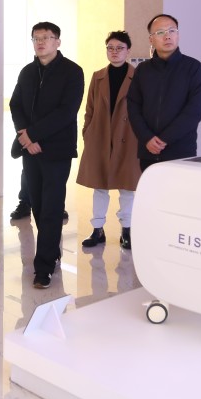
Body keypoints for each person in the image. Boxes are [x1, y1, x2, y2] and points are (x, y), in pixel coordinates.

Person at [9, 22, 84, 289]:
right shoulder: (27, 72)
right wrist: (25, 137)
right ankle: (51, 250)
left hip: (56, 150)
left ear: (57, 42)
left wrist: (33, 135)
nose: (40, 42)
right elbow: (16, 104)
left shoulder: (72, 71)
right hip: (30, 149)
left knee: (52, 206)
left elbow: (67, 111)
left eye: (46, 38)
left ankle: (44, 267)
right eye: (36, 38)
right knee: (39, 205)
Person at [76, 31, 140, 250]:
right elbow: (90, 108)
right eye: (110, 48)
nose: (114, 52)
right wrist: (88, 132)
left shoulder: (138, 76)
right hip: (100, 137)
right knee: (99, 186)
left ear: (128, 51)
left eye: (119, 48)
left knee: (127, 188)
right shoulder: (98, 76)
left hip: (128, 138)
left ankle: (126, 230)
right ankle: (97, 230)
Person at [128, 14, 201, 179]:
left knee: (180, 194)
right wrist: (147, 138)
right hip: (148, 152)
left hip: (181, 152)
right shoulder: (142, 70)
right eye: (160, 32)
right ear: (151, 39)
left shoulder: (193, 68)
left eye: (172, 30)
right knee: (152, 194)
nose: (167, 36)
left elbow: (195, 111)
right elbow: (133, 106)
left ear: (178, 35)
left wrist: (164, 139)